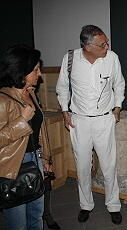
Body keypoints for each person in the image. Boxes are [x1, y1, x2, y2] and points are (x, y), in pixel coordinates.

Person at [56, 25, 125, 224]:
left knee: (109, 166)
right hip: (79, 122)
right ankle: (86, 205)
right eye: (102, 44)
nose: (107, 46)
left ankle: (113, 205)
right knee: (82, 166)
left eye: (106, 42)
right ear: (88, 46)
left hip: (105, 119)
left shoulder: (112, 58)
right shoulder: (70, 59)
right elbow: (62, 87)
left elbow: (119, 84)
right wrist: (64, 111)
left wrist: (117, 108)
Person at [0, 45, 53, 229]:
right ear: (21, 71)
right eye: (36, 70)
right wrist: (22, 120)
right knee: (18, 224)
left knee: (36, 217)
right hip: (13, 166)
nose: (40, 74)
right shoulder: (2, 100)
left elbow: (40, 129)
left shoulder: (31, 94)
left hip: (35, 160)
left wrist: (45, 157)